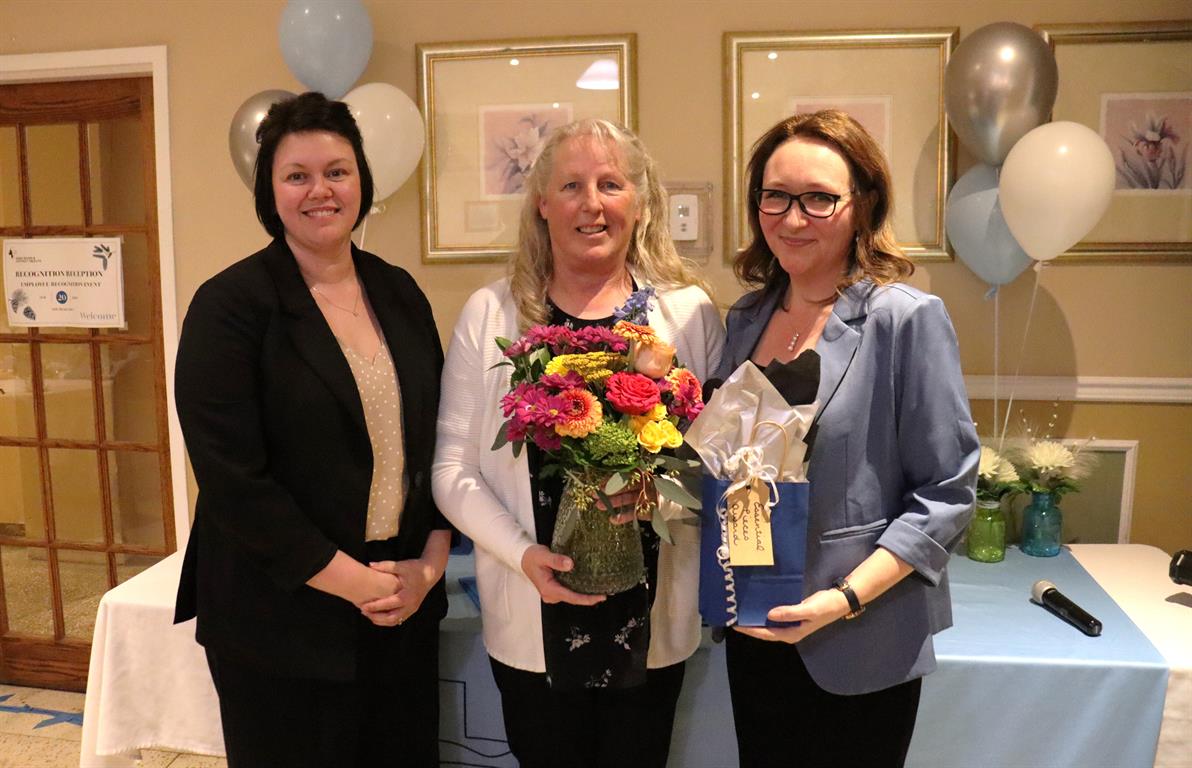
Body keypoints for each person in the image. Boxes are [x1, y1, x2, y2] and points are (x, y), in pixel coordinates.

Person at [433, 118, 724, 768]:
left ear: (640, 202)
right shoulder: (493, 315)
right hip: (533, 613)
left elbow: (717, 458)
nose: (591, 203)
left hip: (651, 621)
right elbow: (452, 471)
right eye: (571, 185)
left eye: (610, 183)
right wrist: (521, 553)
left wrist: (662, 493)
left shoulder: (687, 313)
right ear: (542, 203)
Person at [173, 92, 450, 768]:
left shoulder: (399, 292)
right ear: (270, 192)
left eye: (337, 171)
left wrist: (426, 570)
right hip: (280, 622)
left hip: (399, 610)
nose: (319, 190)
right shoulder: (230, 306)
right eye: (297, 175)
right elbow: (235, 481)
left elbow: (441, 441)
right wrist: (357, 584)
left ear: (362, 181)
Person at [717, 110, 979, 767]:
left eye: (818, 198)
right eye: (775, 196)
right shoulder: (746, 318)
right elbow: (741, 468)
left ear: (862, 206)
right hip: (759, 631)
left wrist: (845, 598)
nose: (792, 217)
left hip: (859, 636)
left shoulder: (905, 320)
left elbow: (946, 493)